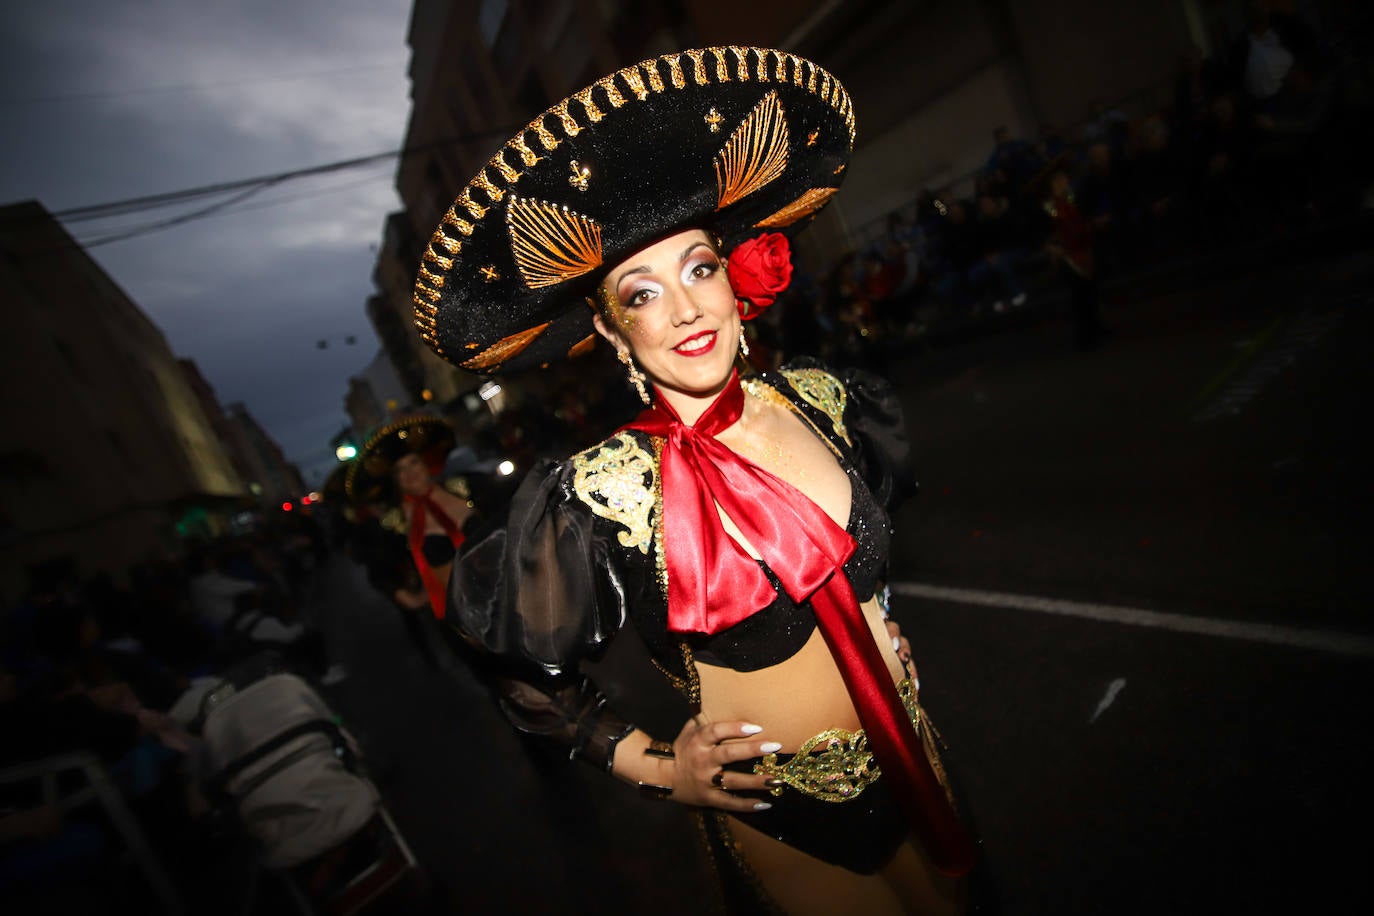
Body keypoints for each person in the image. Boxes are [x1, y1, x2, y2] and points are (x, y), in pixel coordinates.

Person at [415, 47, 982, 913]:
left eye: (699, 268)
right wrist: (655, 767)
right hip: (785, 819)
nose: (684, 308)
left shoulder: (827, 400)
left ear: (731, 279)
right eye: (640, 294)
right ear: (612, 334)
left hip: (916, 751)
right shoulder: (601, 493)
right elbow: (519, 669)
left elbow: (859, 562)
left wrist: (880, 624)